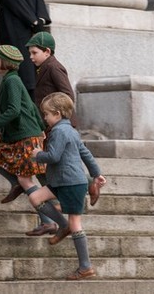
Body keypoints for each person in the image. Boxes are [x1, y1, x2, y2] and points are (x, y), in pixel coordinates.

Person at [28, 92, 107, 280]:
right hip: (60, 180)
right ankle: (63, 226)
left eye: (46, 114)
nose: (44, 118)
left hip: (70, 182)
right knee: (35, 197)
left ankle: (85, 267)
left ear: (57, 113)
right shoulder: (70, 130)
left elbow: (53, 156)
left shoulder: (59, 131)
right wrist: (97, 174)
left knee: (76, 223)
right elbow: (85, 153)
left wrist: (38, 154)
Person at [0, 45, 54, 230]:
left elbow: (14, 110)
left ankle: (48, 221)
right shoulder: (11, 80)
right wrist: (43, 128)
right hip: (16, 134)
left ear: (5, 62)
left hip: (25, 136)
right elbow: (30, 106)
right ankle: (14, 182)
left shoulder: (12, 81)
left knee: (27, 180)